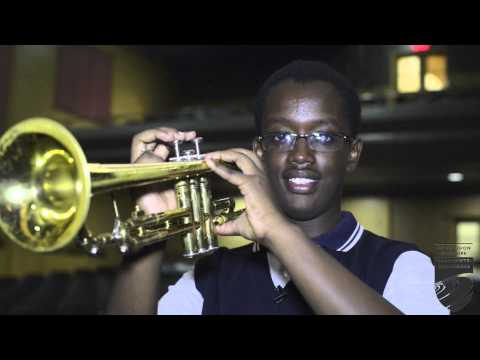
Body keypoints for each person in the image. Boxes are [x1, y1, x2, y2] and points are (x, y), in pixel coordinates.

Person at [107, 60, 449, 315]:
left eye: (324, 137)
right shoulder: (210, 275)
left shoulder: (402, 264)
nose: (301, 155)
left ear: (352, 154)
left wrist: (277, 231)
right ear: (260, 151)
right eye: (281, 136)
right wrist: (150, 228)